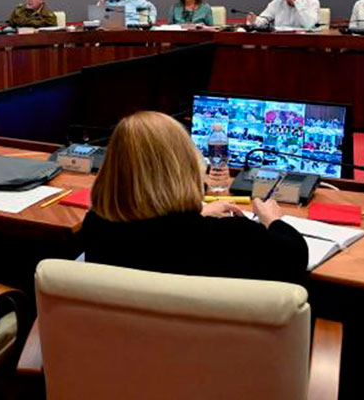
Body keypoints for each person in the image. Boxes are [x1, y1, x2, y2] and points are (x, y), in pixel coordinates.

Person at [83, 111, 308, 284]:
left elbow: (156, 233)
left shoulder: (95, 227)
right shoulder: (231, 236)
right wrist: (273, 219)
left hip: (124, 342)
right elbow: (295, 256)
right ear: (185, 169)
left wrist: (198, 215)